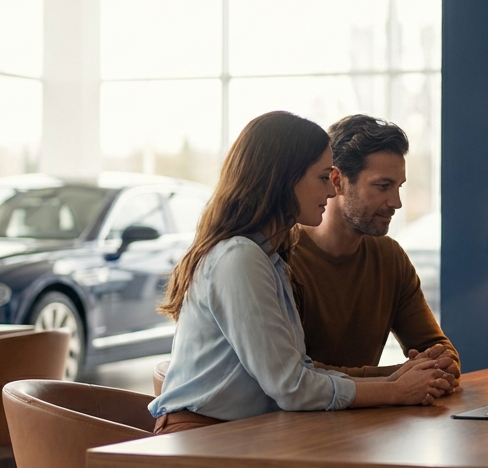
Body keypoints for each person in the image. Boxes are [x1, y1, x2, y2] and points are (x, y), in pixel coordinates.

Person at [149, 111, 456, 435]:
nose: (329, 190)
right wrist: (395, 388)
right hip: (203, 441)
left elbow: (298, 372)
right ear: (285, 179)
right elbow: (291, 385)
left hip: (252, 434)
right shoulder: (240, 258)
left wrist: (399, 379)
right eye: (323, 178)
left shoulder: (269, 258)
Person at [292, 115, 460, 378]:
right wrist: (396, 379)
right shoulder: (283, 256)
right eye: (383, 186)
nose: (396, 202)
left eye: (399, 187)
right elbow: (296, 376)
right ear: (337, 181)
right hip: (293, 418)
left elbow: (436, 347)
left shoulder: (389, 257)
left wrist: (441, 363)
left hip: (369, 417)